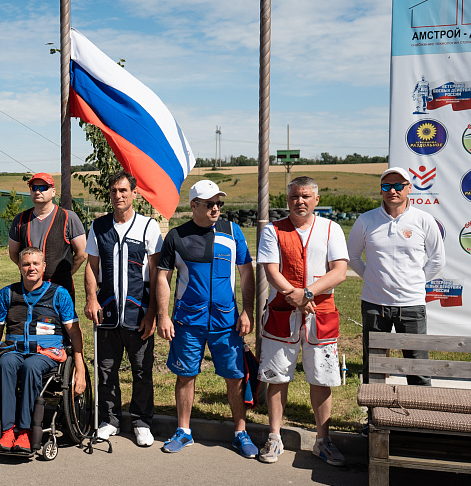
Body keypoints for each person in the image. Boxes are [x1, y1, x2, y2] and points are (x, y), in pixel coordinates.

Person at [155, 180, 257, 457]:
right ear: (194, 206)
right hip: (188, 322)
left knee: (235, 376)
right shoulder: (176, 236)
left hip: (227, 322)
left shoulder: (233, 232)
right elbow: (163, 278)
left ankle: (240, 432)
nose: (215, 208)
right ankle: (184, 431)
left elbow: (247, 273)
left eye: (218, 203)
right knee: (186, 375)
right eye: (210, 203)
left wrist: (247, 311)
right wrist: (163, 316)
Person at [256, 176, 349, 466]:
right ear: (288, 199)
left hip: (321, 314)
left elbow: (339, 271)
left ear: (316, 200)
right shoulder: (273, 230)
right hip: (282, 314)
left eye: (306, 196)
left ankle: (323, 440)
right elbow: (271, 270)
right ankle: (274, 436)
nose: (300, 201)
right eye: (295, 196)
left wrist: (307, 293)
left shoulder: (331, 229)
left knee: (322, 378)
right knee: (277, 377)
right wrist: (294, 296)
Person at [0, 247, 86, 456]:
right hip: (14, 350)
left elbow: (75, 333)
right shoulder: (7, 293)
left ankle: (26, 431)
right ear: (19, 266)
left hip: (46, 353)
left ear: (43, 267)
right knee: (4, 365)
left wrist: (80, 369)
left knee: (30, 366)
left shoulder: (59, 294)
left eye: (36, 264)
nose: (31, 268)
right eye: (27, 264)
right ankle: (8, 430)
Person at [84, 171, 162, 447]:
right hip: (106, 314)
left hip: (138, 314)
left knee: (142, 371)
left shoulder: (148, 227)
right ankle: (110, 419)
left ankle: (142, 422)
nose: (118, 195)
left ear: (134, 194)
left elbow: (157, 274)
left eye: (123, 191)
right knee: (106, 370)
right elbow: (91, 267)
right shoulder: (98, 226)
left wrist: (153, 313)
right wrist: (91, 299)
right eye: (114, 191)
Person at [348, 167, 445, 389]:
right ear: (381, 190)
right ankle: (374, 421)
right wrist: (373, 279)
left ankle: (419, 420)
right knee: (374, 366)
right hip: (374, 304)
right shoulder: (366, 220)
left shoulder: (424, 219)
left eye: (399, 186)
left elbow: (437, 259)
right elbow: (352, 256)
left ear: (409, 188)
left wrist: (416, 282)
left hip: (412, 305)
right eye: (387, 186)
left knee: (417, 367)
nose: (393, 190)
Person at [7, 172, 87, 299]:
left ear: (53, 192)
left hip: (60, 289)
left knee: (64, 319)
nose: (38, 191)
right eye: (34, 188)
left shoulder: (68, 217)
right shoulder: (20, 220)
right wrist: (29, 271)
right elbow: (13, 253)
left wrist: (66, 273)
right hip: (29, 290)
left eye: (43, 188)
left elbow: (82, 254)